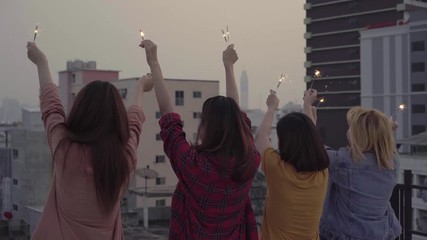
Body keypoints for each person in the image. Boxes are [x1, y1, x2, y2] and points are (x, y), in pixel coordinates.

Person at [27, 42, 152, 240]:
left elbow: (51, 107)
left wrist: (41, 63)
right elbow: (134, 124)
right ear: (117, 117)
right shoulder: (123, 158)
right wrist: (140, 89)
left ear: (80, 111)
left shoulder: (64, 150)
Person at [139, 40, 260, 239]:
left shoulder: (194, 165)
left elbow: (168, 118)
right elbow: (240, 120)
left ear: (206, 127)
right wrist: (229, 66)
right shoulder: (250, 161)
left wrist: (154, 63)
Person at [302, 90, 402, 240]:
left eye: (352, 127)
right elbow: (380, 142)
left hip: (344, 235)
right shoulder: (391, 161)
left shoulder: (344, 162)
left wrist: (306, 105)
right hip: (380, 234)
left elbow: (313, 145)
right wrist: (383, 128)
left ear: (358, 134)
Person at [254, 89, 329, 240]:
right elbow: (311, 139)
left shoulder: (277, 169)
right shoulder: (321, 174)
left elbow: (261, 136)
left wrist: (271, 107)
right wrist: (307, 105)